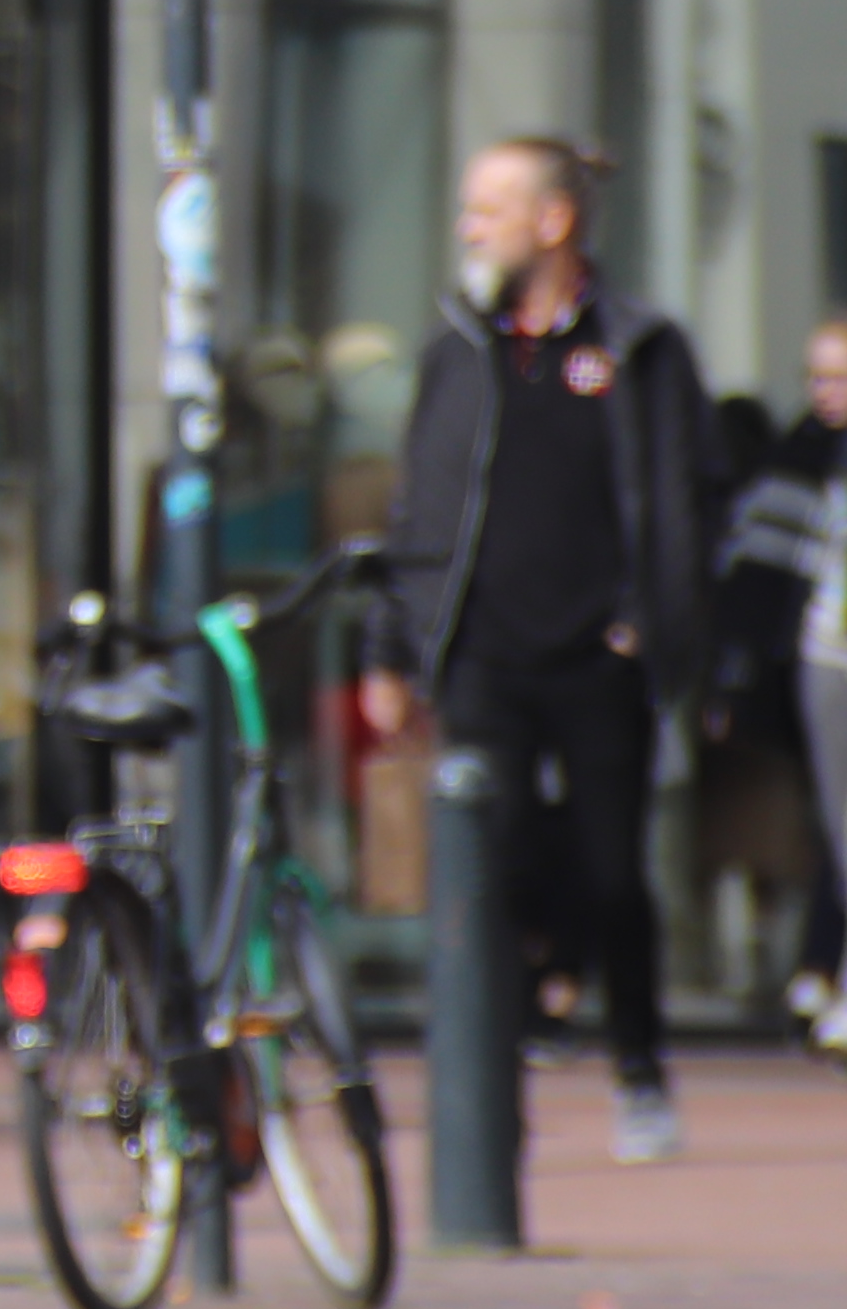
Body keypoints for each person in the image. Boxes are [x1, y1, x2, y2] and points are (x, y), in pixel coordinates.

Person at [363, 135, 715, 1167]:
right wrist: (395, 643)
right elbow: (416, 503)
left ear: (552, 221)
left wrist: (654, 624)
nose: (470, 227)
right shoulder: (457, 349)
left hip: (599, 653)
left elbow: (692, 494)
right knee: (493, 864)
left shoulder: (639, 346)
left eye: (490, 208)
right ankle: (494, 1082)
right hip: (485, 653)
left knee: (613, 872)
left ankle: (640, 1068)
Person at [711, 319, 847, 1055]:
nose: (828, 394)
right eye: (818, 377)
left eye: (841, 377)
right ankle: (818, 969)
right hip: (825, 661)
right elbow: (756, 576)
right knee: (834, 823)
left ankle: (820, 968)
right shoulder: (795, 461)